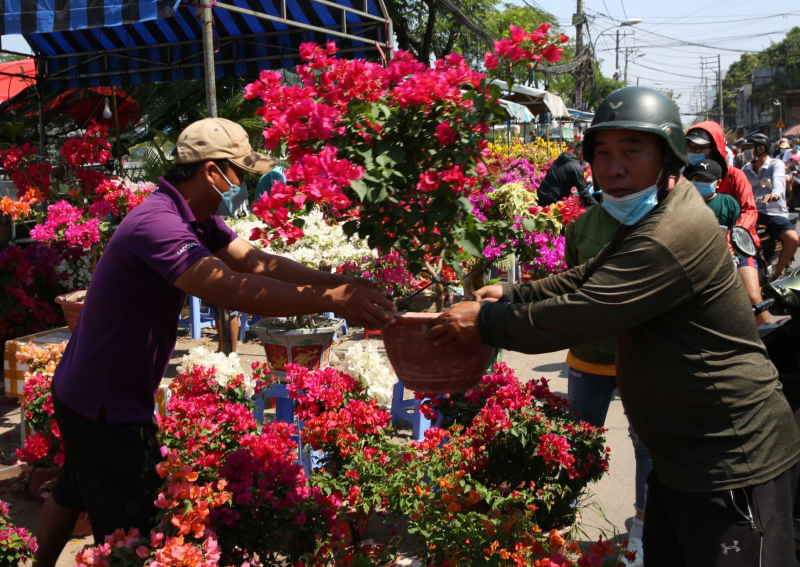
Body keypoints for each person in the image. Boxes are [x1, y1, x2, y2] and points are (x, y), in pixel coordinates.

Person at [429, 87, 800, 567]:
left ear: (668, 158)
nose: (613, 168)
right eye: (602, 153)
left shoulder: (670, 233)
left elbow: (587, 311)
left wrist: (484, 322)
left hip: (732, 460)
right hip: (683, 456)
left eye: (631, 151)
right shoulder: (656, 212)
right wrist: (512, 292)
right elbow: (590, 275)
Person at [34, 118, 397, 565]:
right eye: (239, 173)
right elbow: (229, 287)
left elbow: (257, 263)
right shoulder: (158, 224)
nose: (242, 184)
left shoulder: (196, 219)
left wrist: (339, 284)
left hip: (85, 387)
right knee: (133, 536)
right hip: (105, 403)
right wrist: (331, 300)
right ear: (212, 171)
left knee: (72, 488)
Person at [563, 203, 651, 566]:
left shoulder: (660, 222)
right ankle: (562, 521)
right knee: (575, 443)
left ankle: (641, 531)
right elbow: (572, 281)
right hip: (587, 355)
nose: (617, 176)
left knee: (646, 447)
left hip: (642, 359)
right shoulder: (581, 226)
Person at [686, 123, 767, 325]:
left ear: (715, 148)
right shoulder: (683, 178)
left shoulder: (735, 176)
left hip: (737, 248)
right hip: (695, 248)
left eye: (699, 148)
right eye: (690, 148)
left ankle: (771, 336)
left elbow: (749, 210)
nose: (693, 152)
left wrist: (732, 239)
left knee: (752, 297)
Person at [743, 133, 799, 279]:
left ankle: (777, 272)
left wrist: (775, 194)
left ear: (761, 149)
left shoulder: (776, 164)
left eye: (750, 147)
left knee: (793, 239)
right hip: (751, 212)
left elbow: (778, 181)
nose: (746, 151)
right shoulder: (745, 169)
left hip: (773, 213)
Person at [536, 142, 597, 208]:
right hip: (552, 201)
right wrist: (597, 206)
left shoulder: (562, 159)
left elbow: (563, 177)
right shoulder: (576, 167)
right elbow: (583, 192)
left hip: (541, 194)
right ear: (581, 153)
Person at [684, 159, 740, 229]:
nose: (701, 182)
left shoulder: (728, 203)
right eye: (697, 179)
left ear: (718, 183)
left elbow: (737, 230)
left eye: (706, 180)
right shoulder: (685, 201)